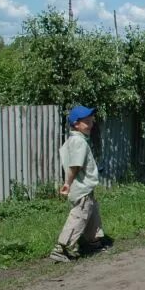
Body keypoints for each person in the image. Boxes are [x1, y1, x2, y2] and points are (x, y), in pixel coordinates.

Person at [49, 106, 106, 262]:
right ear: (76, 124)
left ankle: (94, 241)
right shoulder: (78, 141)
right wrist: (68, 183)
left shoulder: (74, 140)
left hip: (83, 185)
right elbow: (75, 165)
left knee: (91, 211)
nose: (91, 124)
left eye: (91, 121)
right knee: (79, 216)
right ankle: (61, 248)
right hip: (81, 187)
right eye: (87, 122)